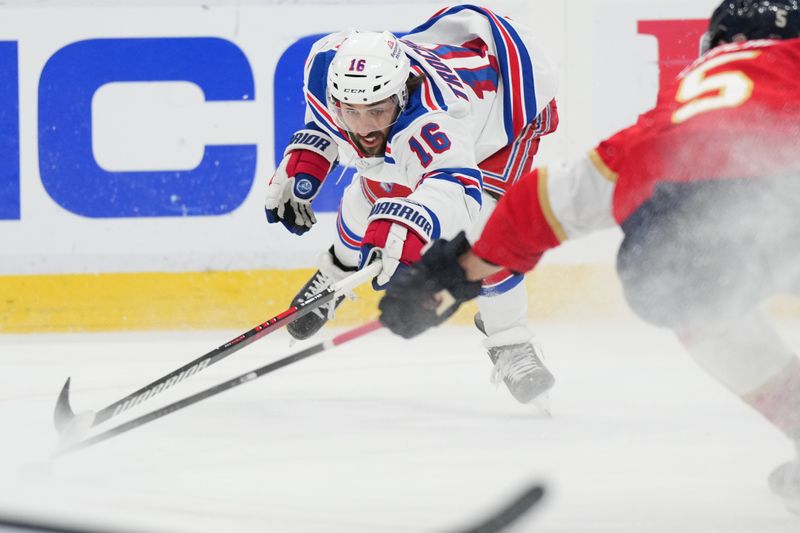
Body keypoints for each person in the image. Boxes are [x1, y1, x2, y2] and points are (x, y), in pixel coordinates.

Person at [378, 0, 800, 513]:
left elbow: (544, 199)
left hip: (670, 247)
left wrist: (443, 276)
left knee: (688, 296)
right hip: (779, 201)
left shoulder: (674, 113)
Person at [265, 5, 560, 403]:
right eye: (350, 111)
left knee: (486, 233)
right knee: (374, 190)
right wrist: (314, 152)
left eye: (377, 111)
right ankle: (334, 275)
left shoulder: (435, 119)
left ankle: (509, 341)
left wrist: (410, 223)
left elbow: (455, 186)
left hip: (503, 121)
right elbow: (327, 118)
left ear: (401, 94)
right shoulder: (325, 67)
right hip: (449, 89)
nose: (364, 127)